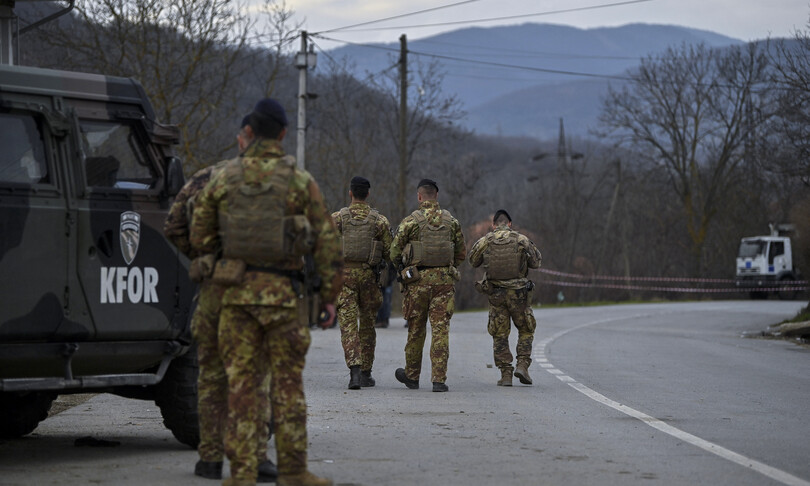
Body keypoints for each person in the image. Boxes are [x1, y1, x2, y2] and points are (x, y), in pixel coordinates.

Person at [190, 98, 342, 486]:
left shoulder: (223, 178)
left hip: (235, 300)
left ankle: (240, 474)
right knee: (288, 386)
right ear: (284, 134)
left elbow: (199, 236)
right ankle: (293, 471)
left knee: (241, 386)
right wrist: (328, 296)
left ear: (249, 133)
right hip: (282, 299)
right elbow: (326, 241)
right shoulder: (298, 180)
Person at [163, 116, 277, 482]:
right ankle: (256, 458)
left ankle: (210, 459)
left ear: (241, 139)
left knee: (211, 376)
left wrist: (202, 260)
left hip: (213, 294)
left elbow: (173, 226)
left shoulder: (205, 179)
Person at [390, 179, 466, 393]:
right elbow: (461, 253)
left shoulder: (411, 221)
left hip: (417, 282)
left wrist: (403, 267)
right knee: (440, 329)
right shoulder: (451, 221)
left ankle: (412, 376)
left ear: (419, 196)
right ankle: (438, 380)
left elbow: (394, 251)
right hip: (444, 281)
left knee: (416, 330)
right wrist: (444, 267)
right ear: (437, 195)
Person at [331, 176, 392, 389]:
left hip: (344, 278)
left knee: (348, 325)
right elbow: (390, 251)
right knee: (367, 325)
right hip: (369, 278)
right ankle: (366, 373)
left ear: (350, 193)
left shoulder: (337, 218)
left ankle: (354, 372)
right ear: (368, 194)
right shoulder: (379, 221)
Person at [469, 209, 542, 387]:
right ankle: (523, 365)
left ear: (493, 225)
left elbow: (472, 261)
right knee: (526, 329)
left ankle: (506, 374)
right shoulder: (521, 239)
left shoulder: (485, 240)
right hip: (519, 294)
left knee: (499, 334)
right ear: (510, 224)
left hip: (496, 293)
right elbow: (536, 262)